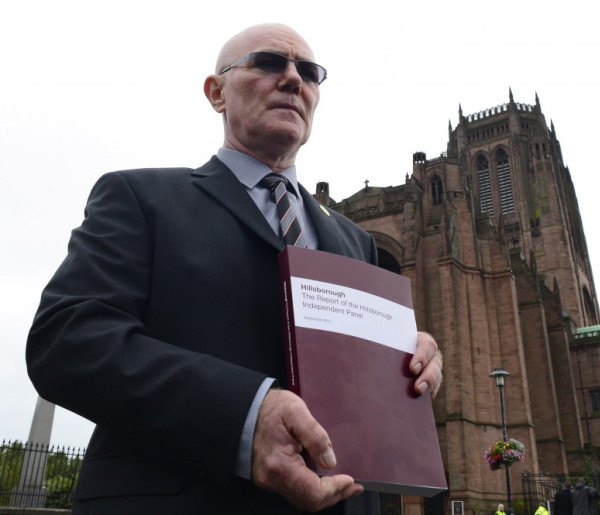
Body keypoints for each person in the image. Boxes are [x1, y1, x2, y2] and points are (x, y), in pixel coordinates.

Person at [26, 23, 443, 515]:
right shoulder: (140, 197)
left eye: (309, 72)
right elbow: (66, 340)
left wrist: (407, 364)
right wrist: (247, 415)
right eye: (268, 63)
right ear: (216, 92)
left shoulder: (357, 240)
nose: (293, 79)